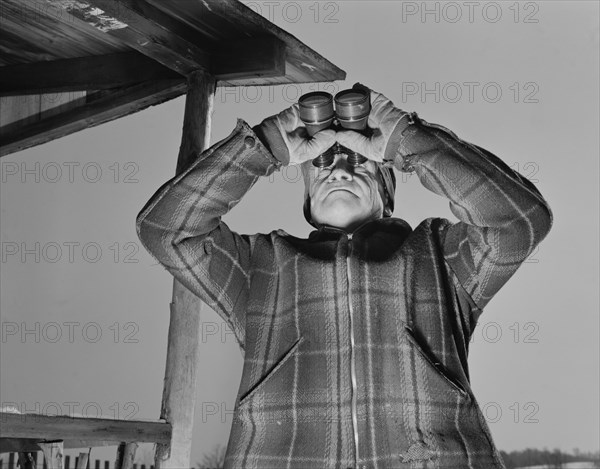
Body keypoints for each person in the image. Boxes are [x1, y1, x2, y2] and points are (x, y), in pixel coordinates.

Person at [136, 84, 552, 468]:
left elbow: (518, 221)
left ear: (387, 193)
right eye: (321, 164)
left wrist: (406, 139)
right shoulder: (261, 266)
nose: (337, 171)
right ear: (307, 199)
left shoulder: (439, 256)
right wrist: (263, 148)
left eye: (358, 162)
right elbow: (168, 230)